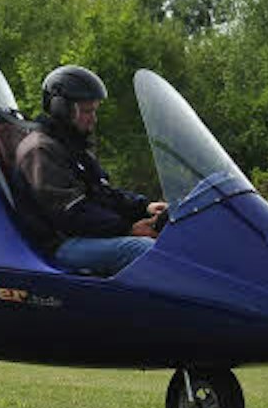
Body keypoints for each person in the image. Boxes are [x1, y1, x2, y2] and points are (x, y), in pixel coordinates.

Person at [12, 65, 168, 276]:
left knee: (172, 238)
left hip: (83, 234)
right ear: (61, 109)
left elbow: (103, 193)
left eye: (94, 110)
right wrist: (128, 229)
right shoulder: (40, 150)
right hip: (60, 243)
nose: (94, 119)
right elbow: (72, 214)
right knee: (145, 250)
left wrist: (145, 207)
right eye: (87, 111)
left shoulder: (71, 145)